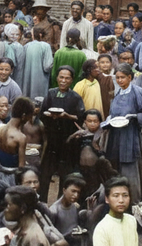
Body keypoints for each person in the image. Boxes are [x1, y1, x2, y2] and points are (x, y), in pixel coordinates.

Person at [106, 64, 142, 205]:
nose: (120, 80)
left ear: (130, 77)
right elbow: (113, 114)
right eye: (117, 78)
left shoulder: (137, 91)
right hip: (116, 136)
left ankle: (133, 204)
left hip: (130, 137)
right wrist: (109, 120)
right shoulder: (118, 93)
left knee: (130, 172)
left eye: (122, 77)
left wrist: (134, 117)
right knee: (116, 171)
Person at [38, 67, 85, 201]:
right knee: (45, 173)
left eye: (67, 78)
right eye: (61, 77)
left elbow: (80, 117)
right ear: (57, 78)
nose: (63, 81)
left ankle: (62, 202)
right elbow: (42, 114)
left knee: (65, 174)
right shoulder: (51, 94)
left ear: (72, 80)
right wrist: (49, 115)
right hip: (51, 140)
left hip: (67, 141)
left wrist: (67, 116)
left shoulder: (75, 97)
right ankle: (42, 202)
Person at [92, 177, 138, 246]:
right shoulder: (102, 229)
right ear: (107, 199)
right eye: (116, 196)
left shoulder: (131, 220)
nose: (121, 200)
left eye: (125, 195)